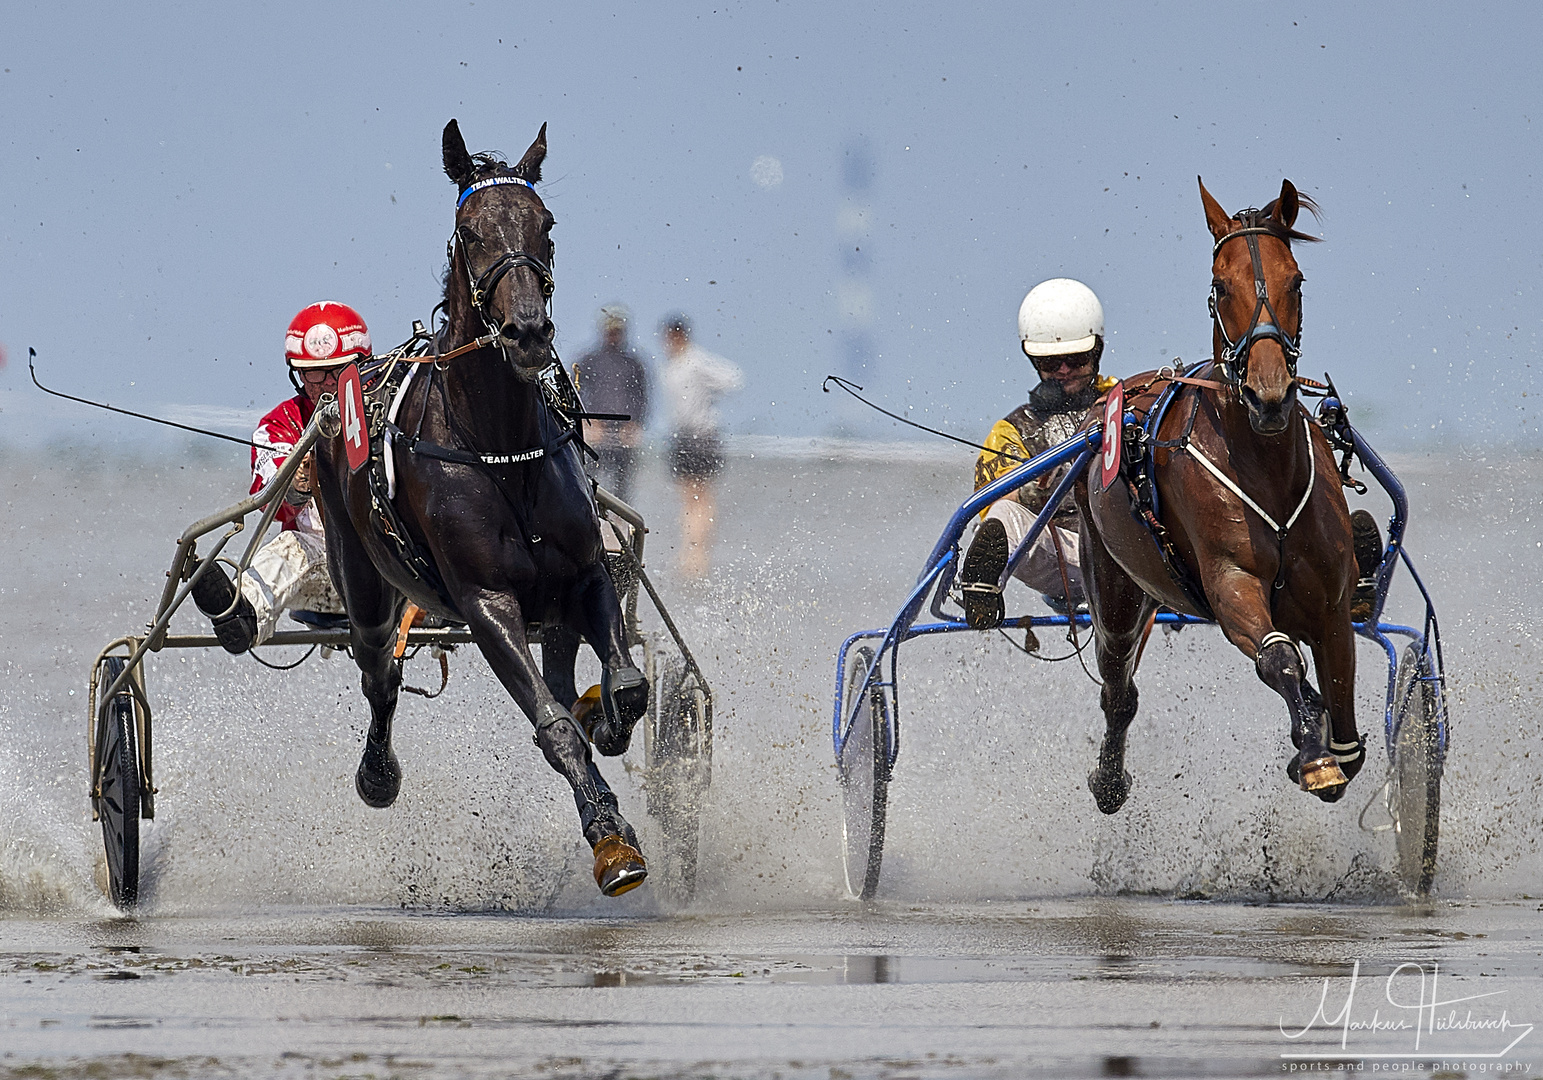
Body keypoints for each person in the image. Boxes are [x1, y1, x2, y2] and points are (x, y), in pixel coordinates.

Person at [190, 301, 369, 653]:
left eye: (338, 371)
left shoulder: (390, 412)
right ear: (298, 374)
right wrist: (297, 486)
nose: (327, 385)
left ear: (360, 368)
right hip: (329, 568)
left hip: (397, 566)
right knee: (289, 548)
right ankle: (243, 614)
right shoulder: (279, 425)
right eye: (313, 374)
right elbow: (271, 504)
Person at [959, 279, 1118, 629]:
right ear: (1034, 361)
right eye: (1051, 362)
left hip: (1139, 549)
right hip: (1072, 556)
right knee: (1001, 513)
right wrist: (1045, 482)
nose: (1063, 371)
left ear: (1096, 352)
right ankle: (982, 588)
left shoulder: (1129, 405)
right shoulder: (1011, 431)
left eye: (1075, 360)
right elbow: (995, 502)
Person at [659, 313, 743, 579]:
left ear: (680, 336)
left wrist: (709, 397)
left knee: (702, 495)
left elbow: (733, 378)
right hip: (680, 436)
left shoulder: (696, 361)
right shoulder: (670, 366)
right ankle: (689, 551)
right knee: (687, 495)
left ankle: (699, 553)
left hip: (703, 434)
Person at [572, 305, 649, 502]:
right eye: (610, 331)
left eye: (618, 331)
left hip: (624, 435)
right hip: (595, 434)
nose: (614, 335)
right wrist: (588, 423)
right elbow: (575, 392)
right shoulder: (588, 359)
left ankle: (619, 526)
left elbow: (642, 397)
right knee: (589, 483)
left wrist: (636, 424)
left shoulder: (634, 363)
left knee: (623, 487)